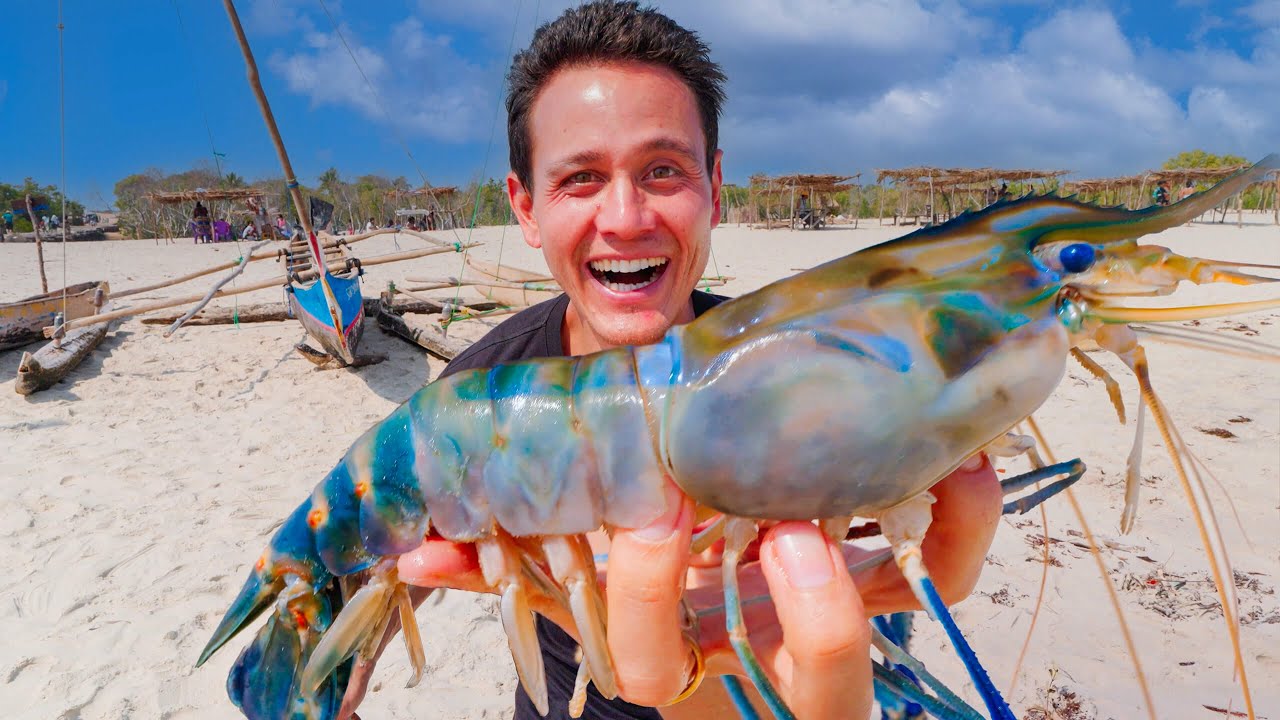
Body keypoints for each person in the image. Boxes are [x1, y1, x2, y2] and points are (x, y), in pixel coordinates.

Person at [338, 4, 1000, 719]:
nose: (625, 218)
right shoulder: (474, 393)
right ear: (525, 206)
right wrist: (348, 666)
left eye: (662, 170)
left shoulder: (803, 376)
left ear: (714, 186)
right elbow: (392, 559)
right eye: (580, 178)